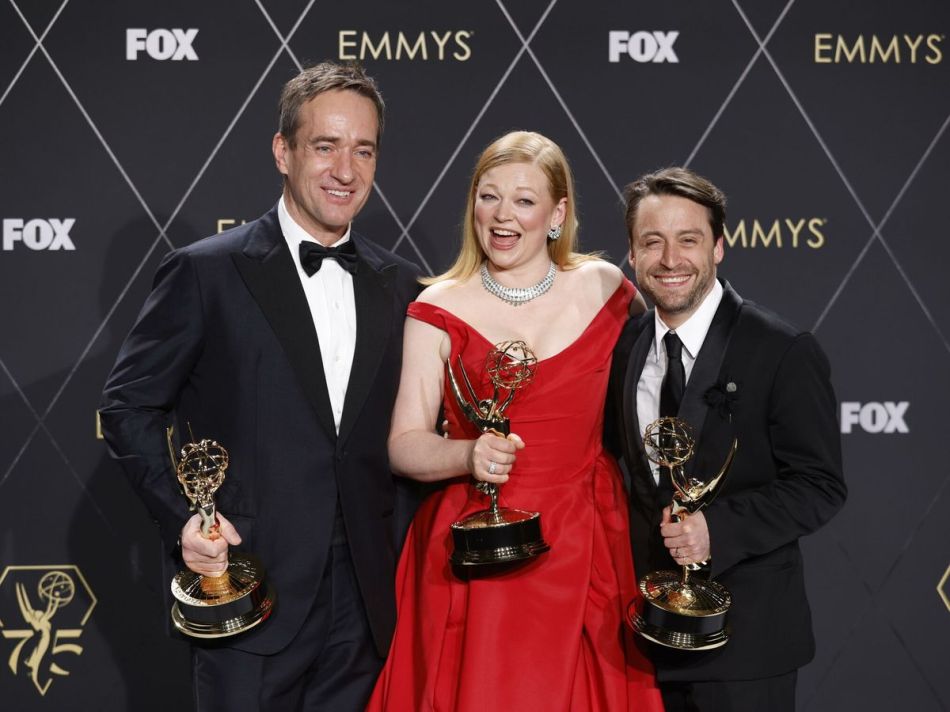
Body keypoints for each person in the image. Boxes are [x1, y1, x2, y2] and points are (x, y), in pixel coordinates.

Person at [99, 62, 421, 711]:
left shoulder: (403, 285)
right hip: (248, 590)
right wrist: (186, 518)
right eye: (325, 146)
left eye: (363, 150)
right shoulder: (206, 274)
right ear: (283, 151)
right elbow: (128, 405)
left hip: (366, 606)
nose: (345, 170)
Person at [367, 131, 663, 711]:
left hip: (586, 537)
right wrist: (467, 454)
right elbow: (403, 443)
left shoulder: (608, 290)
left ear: (557, 214)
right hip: (480, 544)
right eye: (489, 196)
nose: (503, 216)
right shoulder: (437, 306)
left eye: (524, 201)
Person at [606, 167, 847, 711]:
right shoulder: (626, 345)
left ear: (718, 247)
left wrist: (717, 529)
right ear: (633, 254)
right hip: (644, 643)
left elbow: (820, 485)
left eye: (688, 240)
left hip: (747, 646)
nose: (670, 259)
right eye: (653, 242)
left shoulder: (782, 350)